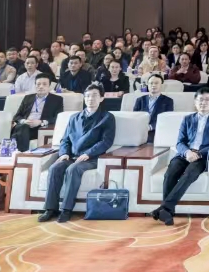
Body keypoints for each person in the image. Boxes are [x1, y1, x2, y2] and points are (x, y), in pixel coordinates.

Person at [38, 84, 115, 223]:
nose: (90, 99)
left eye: (95, 95)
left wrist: (89, 154)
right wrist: (64, 153)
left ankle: (66, 209)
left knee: (73, 169)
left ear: (102, 98)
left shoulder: (107, 117)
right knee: (55, 168)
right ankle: (50, 208)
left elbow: (106, 141)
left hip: (91, 158)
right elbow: (65, 139)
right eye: (88, 96)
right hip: (71, 156)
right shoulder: (74, 117)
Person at [150, 88, 209, 225]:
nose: (203, 103)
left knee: (189, 174)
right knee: (170, 174)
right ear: (195, 102)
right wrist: (187, 152)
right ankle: (167, 212)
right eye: (200, 100)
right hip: (184, 154)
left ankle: (164, 209)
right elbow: (180, 142)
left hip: (202, 156)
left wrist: (198, 154)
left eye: (207, 100)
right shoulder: (187, 119)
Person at [10, 74, 64, 151]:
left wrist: (41, 122)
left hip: (40, 128)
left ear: (49, 86)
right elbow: (17, 116)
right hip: (24, 125)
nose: (41, 86)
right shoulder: (28, 98)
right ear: (35, 85)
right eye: (38, 84)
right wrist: (24, 121)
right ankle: (22, 153)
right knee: (23, 127)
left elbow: (59, 117)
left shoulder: (57, 99)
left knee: (17, 134)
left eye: (44, 84)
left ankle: (18, 152)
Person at [132, 74, 174, 141]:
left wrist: (150, 127)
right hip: (140, 131)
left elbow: (167, 119)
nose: (153, 85)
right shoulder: (140, 100)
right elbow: (134, 116)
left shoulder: (168, 101)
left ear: (162, 85)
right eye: (151, 83)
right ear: (147, 85)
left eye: (156, 83)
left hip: (158, 132)